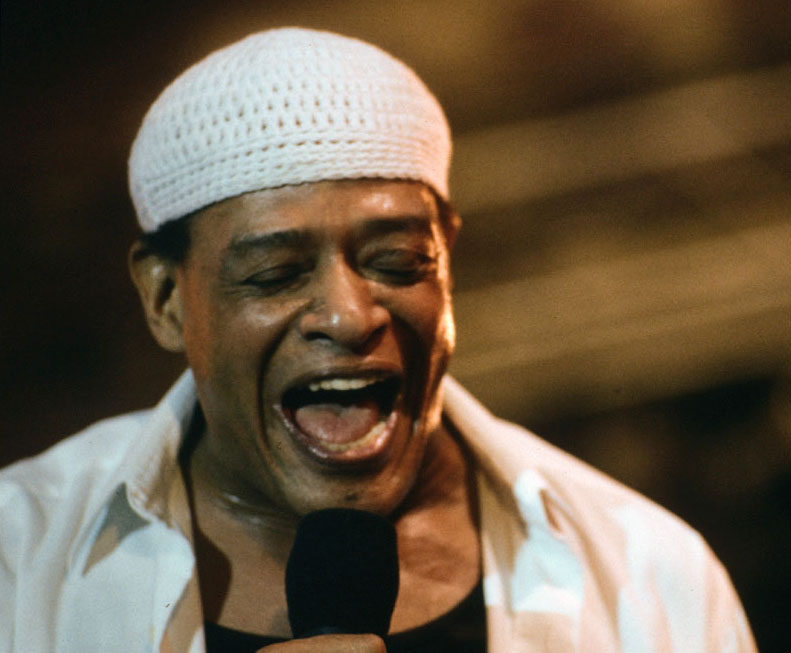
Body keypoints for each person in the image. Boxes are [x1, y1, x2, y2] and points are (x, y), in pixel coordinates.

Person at [0, 28, 756, 652]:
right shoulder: (18, 555)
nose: (350, 315)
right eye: (274, 274)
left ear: (448, 260)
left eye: (396, 262)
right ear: (165, 298)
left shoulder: (650, 577)